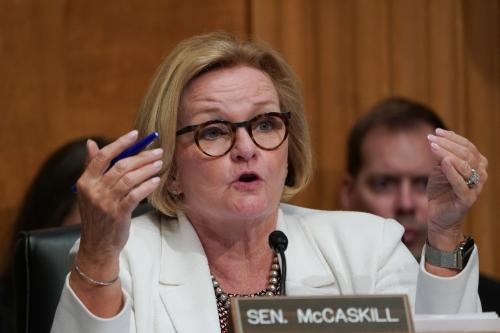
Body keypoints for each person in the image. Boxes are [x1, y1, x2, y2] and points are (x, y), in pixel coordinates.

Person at [51, 32, 487, 333]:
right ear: (171, 170)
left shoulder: (366, 248)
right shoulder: (124, 259)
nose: (246, 148)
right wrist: (99, 249)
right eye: (214, 131)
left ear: (288, 146)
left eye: (264, 124)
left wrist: (444, 232)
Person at [340, 97, 499, 313]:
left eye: (425, 183)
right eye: (384, 183)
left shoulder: (493, 304)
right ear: (349, 193)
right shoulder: (321, 297)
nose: (405, 204)